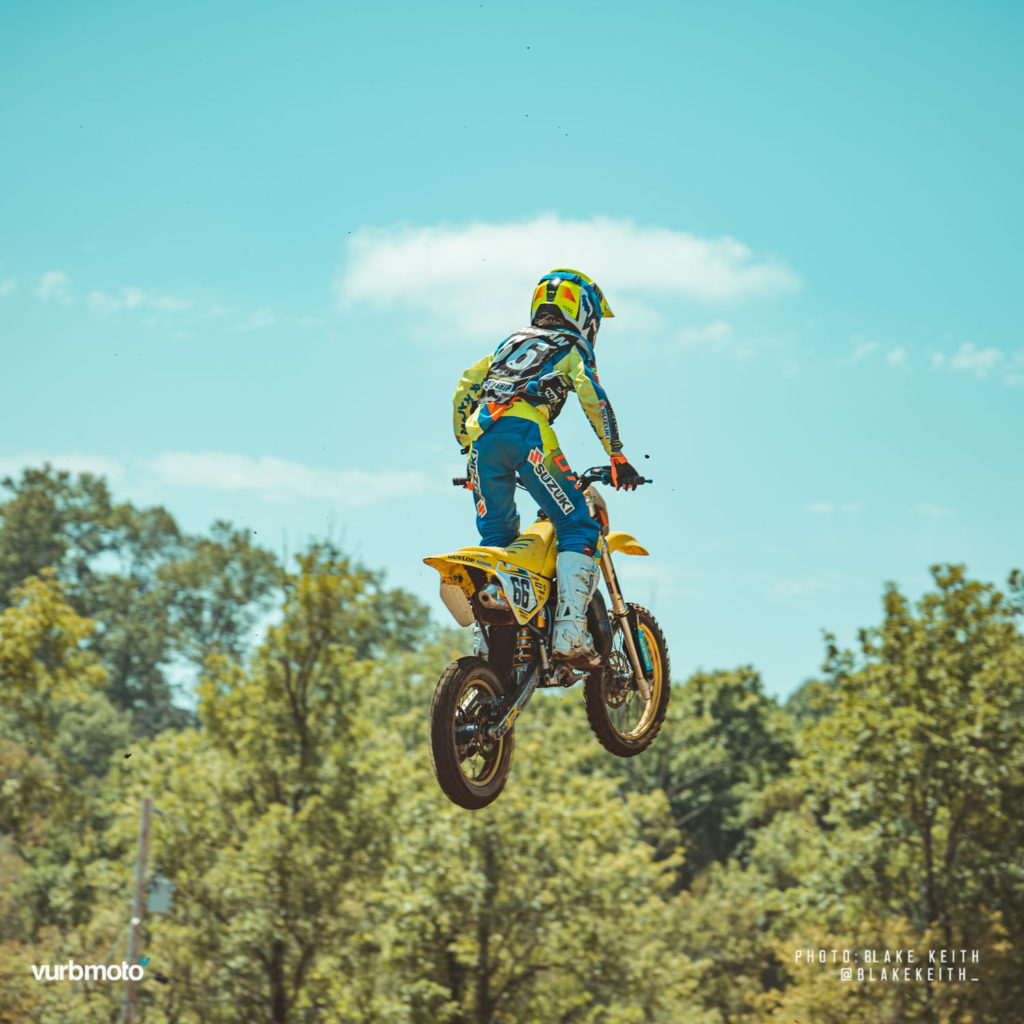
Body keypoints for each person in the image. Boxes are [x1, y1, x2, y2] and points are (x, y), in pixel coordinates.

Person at [452, 268, 643, 666]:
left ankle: (489, 646)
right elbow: (593, 397)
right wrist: (617, 455)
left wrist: (466, 446)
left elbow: (467, 384)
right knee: (578, 526)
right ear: (583, 313)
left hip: (482, 439)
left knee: (498, 537)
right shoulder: (570, 344)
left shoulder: (509, 343)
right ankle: (570, 632)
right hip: (528, 436)